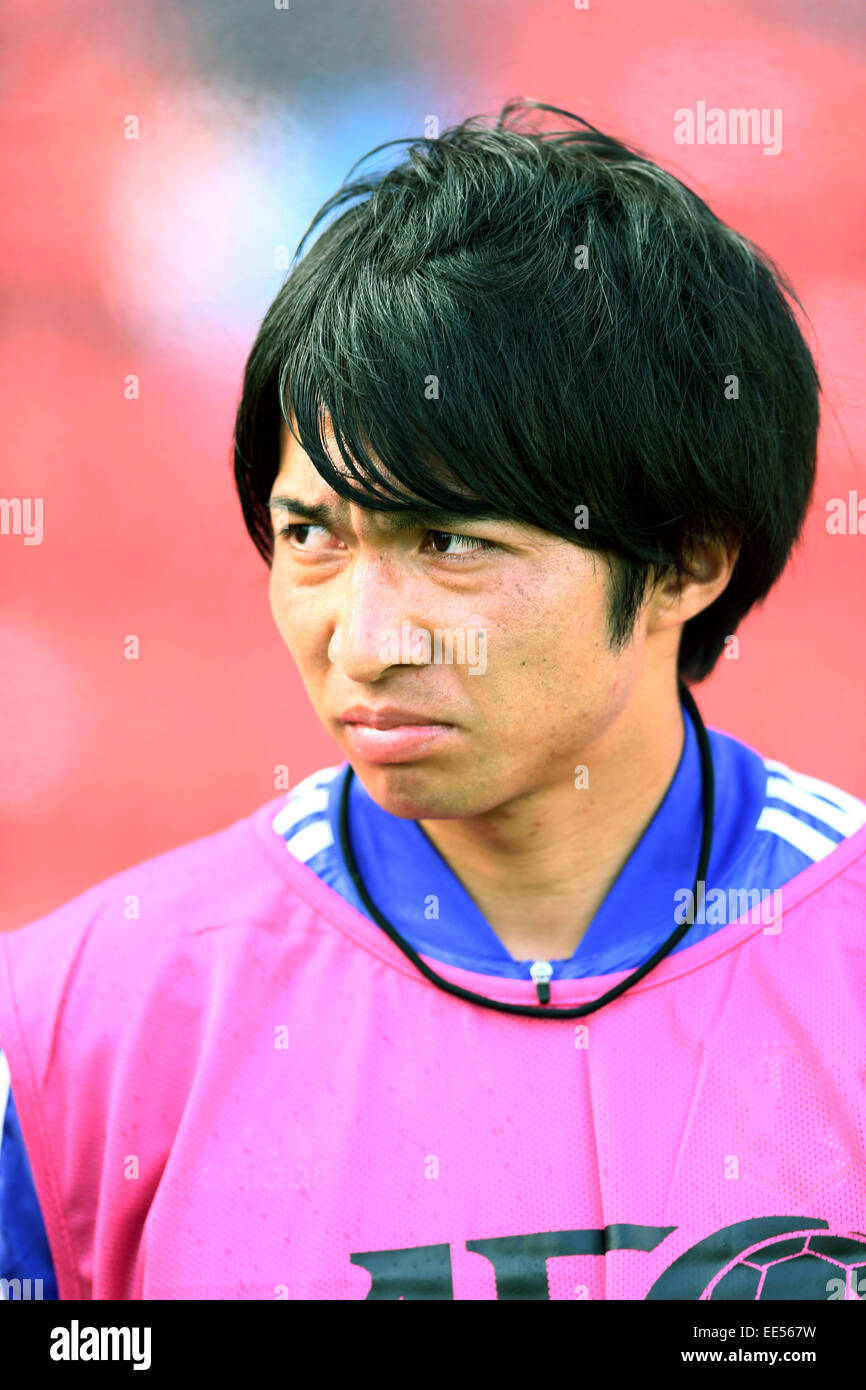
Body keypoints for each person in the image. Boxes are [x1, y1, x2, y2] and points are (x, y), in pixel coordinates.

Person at [2, 99, 864, 1302]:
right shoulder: (72, 1023)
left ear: (685, 559)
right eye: (311, 533)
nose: (362, 637)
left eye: (449, 539)